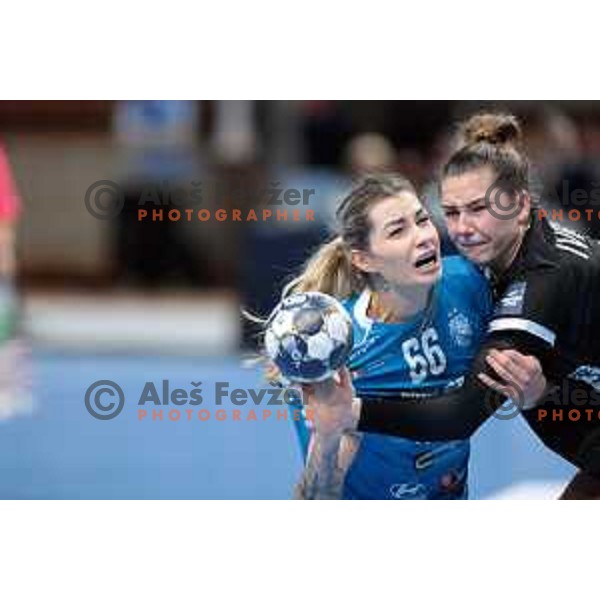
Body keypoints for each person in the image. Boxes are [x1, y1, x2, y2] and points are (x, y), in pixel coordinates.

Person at [307, 113, 600, 499]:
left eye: (478, 209)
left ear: (522, 206)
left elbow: (460, 416)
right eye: (452, 212)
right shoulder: (520, 246)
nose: (462, 228)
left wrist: (352, 412)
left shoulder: (543, 282)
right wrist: (544, 395)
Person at [269, 174, 545, 499]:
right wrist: (328, 439)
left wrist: (538, 392)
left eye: (422, 220)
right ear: (363, 259)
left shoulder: (470, 285)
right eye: (398, 231)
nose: (424, 237)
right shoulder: (334, 351)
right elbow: (318, 498)